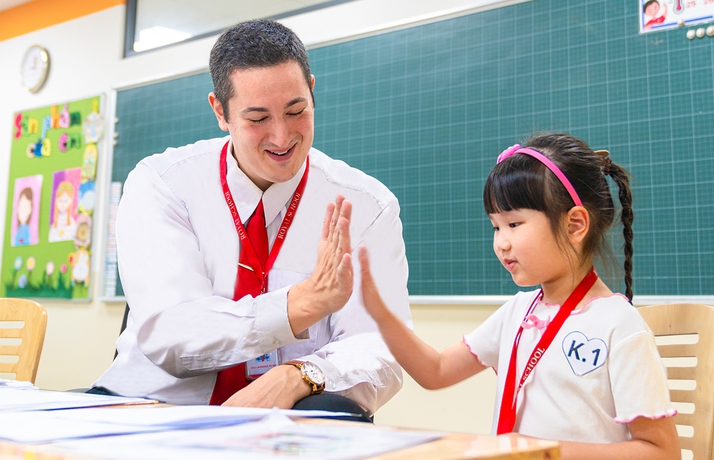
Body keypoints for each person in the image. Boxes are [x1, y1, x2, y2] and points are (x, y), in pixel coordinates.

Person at [93, 19, 412, 419]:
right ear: (220, 111)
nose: (281, 137)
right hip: (154, 406)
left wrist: (300, 374)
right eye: (257, 119)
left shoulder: (368, 205)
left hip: (285, 419)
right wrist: (298, 306)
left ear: (312, 91)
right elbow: (172, 335)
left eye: (297, 110)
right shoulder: (163, 183)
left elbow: (382, 346)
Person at [358, 133, 680, 458]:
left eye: (514, 223)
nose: (501, 243)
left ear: (575, 226)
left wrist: (544, 451)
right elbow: (437, 371)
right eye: (496, 227)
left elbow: (661, 452)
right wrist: (380, 313)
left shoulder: (619, 326)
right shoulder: (519, 312)